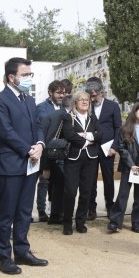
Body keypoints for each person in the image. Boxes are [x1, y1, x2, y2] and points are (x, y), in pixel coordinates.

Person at [0, 57, 48, 275]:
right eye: (25, 75)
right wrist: (28, 150)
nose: (29, 78)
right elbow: (5, 132)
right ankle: (4, 257)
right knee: (7, 213)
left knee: (24, 211)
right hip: (10, 164)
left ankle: (22, 251)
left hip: (31, 164)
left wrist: (41, 145)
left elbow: (38, 125)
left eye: (30, 75)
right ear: (11, 77)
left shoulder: (29, 99)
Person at [59, 91, 102, 235]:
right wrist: (87, 141)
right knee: (70, 192)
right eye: (81, 99)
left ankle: (80, 222)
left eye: (87, 100)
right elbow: (69, 134)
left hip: (90, 159)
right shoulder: (68, 117)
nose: (85, 102)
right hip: (73, 159)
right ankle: (67, 222)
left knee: (86, 192)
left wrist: (86, 135)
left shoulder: (92, 118)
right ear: (75, 102)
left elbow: (101, 134)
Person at [108, 102, 139, 234]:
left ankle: (138, 222)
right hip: (129, 167)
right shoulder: (125, 128)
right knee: (123, 195)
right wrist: (131, 164)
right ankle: (115, 222)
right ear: (135, 112)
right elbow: (122, 148)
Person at [85, 80, 121, 221]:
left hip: (108, 148)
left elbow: (118, 127)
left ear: (102, 92)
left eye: (94, 96)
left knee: (108, 179)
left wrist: (114, 147)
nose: (93, 99)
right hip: (91, 148)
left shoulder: (113, 106)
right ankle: (91, 209)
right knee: (90, 179)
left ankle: (110, 207)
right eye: (90, 96)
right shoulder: (87, 107)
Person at [35, 80, 67, 223]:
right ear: (50, 93)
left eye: (63, 93)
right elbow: (43, 124)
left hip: (59, 151)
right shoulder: (41, 107)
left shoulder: (64, 108)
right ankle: (41, 211)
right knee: (44, 181)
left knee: (58, 182)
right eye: (58, 93)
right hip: (45, 149)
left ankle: (55, 210)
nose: (62, 95)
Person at [40, 95, 73, 226]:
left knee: (56, 187)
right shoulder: (62, 116)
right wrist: (46, 166)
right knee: (60, 186)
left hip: (53, 157)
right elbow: (50, 140)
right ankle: (57, 214)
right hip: (58, 157)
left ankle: (55, 214)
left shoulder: (54, 115)